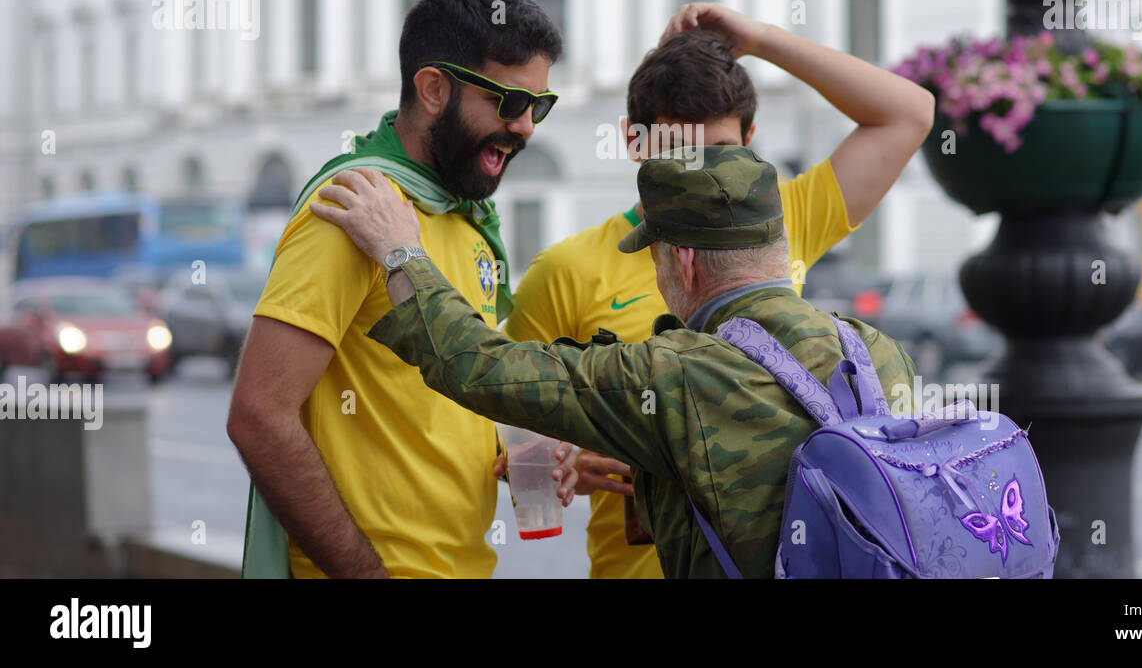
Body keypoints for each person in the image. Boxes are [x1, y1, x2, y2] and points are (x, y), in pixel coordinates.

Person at [309, 145, 918, 578]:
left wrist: (400, 252)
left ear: (681, 262)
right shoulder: (876, 350)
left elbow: (475, 364)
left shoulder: (677, 375)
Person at [503, 2, 936, 578]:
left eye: (722, 154)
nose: (702, 178)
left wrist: (760, 39)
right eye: (681, 153)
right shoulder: (567, 269)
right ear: (636, 142)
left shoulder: (781, 223)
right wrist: (559, 460)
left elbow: (909, 113)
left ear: (752, 140)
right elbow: (503, 426)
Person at [226, 0, 577, 579]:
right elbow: (259, 416)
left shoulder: (465, 216)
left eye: (538, 106)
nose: (526, 128)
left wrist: (522, 452)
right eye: (509, 102)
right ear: (435, 89)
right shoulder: (354, 209)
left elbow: (432, 399)